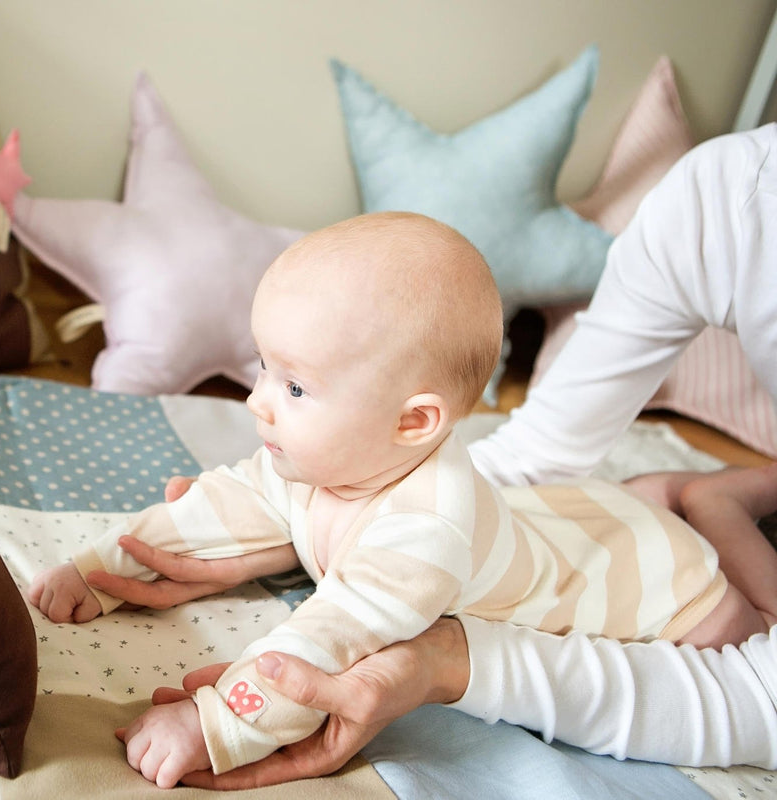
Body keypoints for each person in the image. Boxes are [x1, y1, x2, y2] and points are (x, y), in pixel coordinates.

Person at [85, 124, 777, 788]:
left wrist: (214, 725)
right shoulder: (729, 189)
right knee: (575, 518)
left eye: (294, 385)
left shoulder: (423, 535)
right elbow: (231, 500)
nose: (257, 402)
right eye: (263, 366)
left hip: (674, 592)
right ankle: (690, 498)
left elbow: (328, 641)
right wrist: (104, 563)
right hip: (592, 522)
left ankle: (710, 501)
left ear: (414, 422)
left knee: (749, 624)